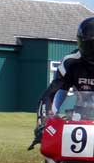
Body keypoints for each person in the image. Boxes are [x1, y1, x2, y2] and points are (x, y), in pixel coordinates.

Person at [32, 16, 94, 148]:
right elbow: (53, 94)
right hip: (80, 118)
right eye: (89, 45)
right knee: (54, 154)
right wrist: (44, 123)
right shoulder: (71, 62)